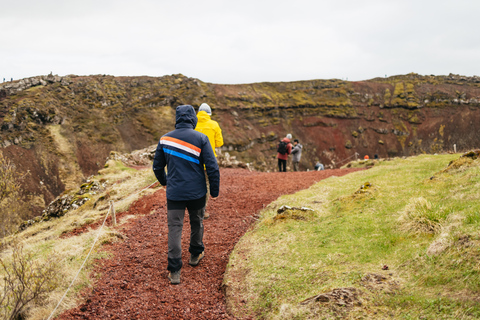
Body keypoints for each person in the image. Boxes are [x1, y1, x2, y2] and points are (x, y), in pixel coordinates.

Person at [153, 105, 220, 285]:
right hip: (197, 191)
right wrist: (214, 190)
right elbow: (212, 167)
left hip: (174, 192)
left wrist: (165, 181)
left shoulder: (165, 139)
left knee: (175, 227)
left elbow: (157, 167)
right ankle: (195, 254)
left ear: (177, 118)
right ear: (193, 119)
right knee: (197, 221)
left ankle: (174, 270)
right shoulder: (201, 138)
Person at [194, 103, 223, 219]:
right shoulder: (214, 125)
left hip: (193, 159)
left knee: (193, 183)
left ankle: (193, 208)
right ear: (209, 114)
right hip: (207, 160)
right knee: (205, 185)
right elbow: (219, 143)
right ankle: (201, 211)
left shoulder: (192, 124)